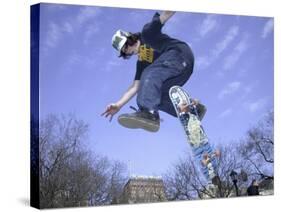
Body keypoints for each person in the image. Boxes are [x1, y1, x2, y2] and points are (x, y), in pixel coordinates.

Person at [102, 11, 206, 132]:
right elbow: (135, 87)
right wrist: (118, 105)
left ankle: (148, 113)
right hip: (181, 72)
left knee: (149, 75)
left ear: (130, 38)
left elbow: (165, 15)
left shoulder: (147, 34)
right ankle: (192, 110)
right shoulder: (141, 62)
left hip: (179, 54)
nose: (128, 51)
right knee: (156, 96)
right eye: (124, 52)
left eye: (126, 47)